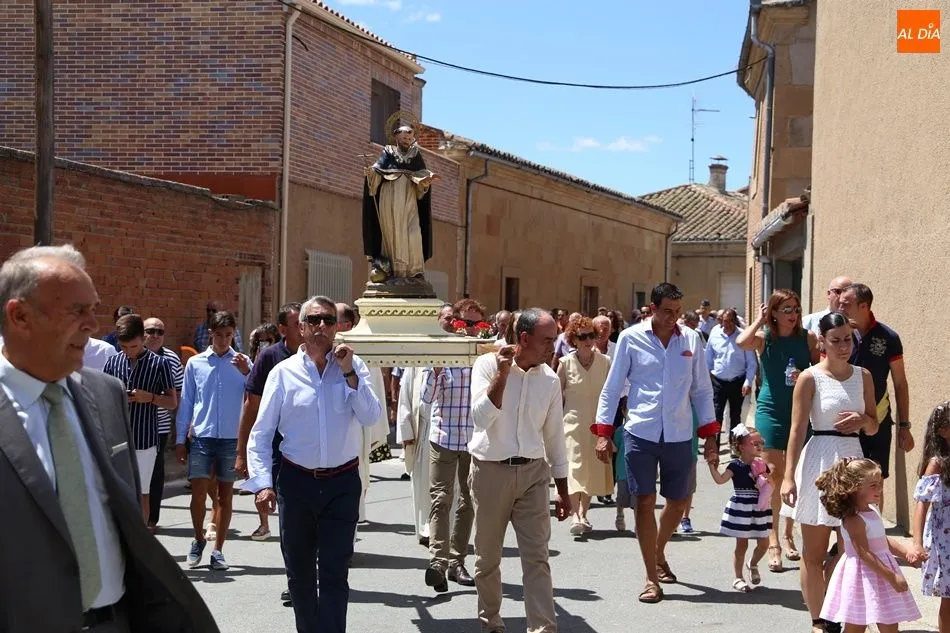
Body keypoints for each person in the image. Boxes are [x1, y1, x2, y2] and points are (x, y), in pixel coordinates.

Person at [0, 244, 217, 632]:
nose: (91, 324)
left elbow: (126, 518)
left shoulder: (105, 393)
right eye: (76, 310)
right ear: (20, 316)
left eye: (93, 308)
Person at [246, 295, 381, 633]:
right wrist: (262, 483)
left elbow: (371, 415)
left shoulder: (354, 366)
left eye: (329, 321)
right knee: (300, 574)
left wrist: (350, 375)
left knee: (336, 572)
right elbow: (261, 434)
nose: (323, 327)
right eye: (315, 320)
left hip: (341, 484)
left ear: (338, 327)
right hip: (297, 483)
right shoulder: (283, 373)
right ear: (301, 327)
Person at [592, 282, 719, 604]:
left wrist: (710, 436)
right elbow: (612, 386)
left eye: (677, 312)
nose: (672, 318)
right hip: (641, 432)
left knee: (678, 501)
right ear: (652, 308)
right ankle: (651, 577)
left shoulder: (691, 338)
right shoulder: (631, 338)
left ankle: (658, 551)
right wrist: (604, 433)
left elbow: (702, 390)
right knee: (644, 501)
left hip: (679, 433)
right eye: (666, 312)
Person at [469, 309, 571, 633]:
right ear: (524, 339)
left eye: (554, 340)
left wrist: (563, 489)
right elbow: (480, 420)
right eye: (547, 341)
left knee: (537, 558)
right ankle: (491, 623)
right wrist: (501, 376)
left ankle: (543, 628)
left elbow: (554, 436)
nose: (552, 347)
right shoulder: (486, 365)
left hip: (533, 476)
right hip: (490, 473)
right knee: (487, 559)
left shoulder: (550, 380)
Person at [781, 312, 879, 633]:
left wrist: (863, 421)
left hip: (853, 461)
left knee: (851, 546)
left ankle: (836, 603)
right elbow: (796, 430)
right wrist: (787, 476)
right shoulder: (810, 377)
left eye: (847, 339)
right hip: (820, 460)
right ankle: (818, 620)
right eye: (834, 340)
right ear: (821, 341)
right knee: (813, 550)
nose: (842, 346)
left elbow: (875, 425)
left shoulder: (863, 375)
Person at [737, 289, 820, 572]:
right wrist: (759, 320)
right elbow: (742, 341)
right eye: (786, 309)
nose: (793, 314)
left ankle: (788, 534)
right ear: (773, 312)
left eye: (795, 308)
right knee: (772, 475)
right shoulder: (766, 339)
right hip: (770, 411)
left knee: (796, 474)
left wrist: (805, 376)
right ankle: (772, 540)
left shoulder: (807, 338)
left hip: (799, 412)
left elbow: (820, 369)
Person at [235, 302, 302, 603]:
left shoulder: (324, 356)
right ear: (283, 330)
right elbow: (251, 404)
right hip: (277, 450)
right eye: (298, 323)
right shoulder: (270, 357)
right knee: (289, 519)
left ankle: (315, 575)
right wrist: (242, 452)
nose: (306, 328)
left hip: (313, 452)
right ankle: (296, 578)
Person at [177, 311, 251, 571]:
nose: (223, 340)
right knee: (198, 493)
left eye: (228, 335)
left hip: (231, 439)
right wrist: (179, 438)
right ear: (210, 334)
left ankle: (218, 549)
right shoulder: (196, 363)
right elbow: (186, 401)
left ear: (234, 334)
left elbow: (255, 396)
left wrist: (247, 371)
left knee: (225, 496)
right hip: (202, 437)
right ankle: (198, 539)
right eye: (219, 335)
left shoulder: (243, 363)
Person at [421, 298, 484, 592]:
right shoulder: (441, 351)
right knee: (440, 499)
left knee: (468, 502)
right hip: (444, 436)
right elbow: (426, 397)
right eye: (465, 323)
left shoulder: (485, 354)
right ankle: (438, 561)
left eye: (476, 324)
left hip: (473, 440)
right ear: (455, 323)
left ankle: (457, 561)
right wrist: (435, 370)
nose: (470, 329)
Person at [816, 457, 921, 632]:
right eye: (873, 485)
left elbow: (882, 540)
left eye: (879, 483)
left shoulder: (872, 510)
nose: (879, 488)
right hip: (861, 576)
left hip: (882, 573)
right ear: (854, 487)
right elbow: (863, 553)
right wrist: (892, 577)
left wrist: (907, 554)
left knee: (889, 622)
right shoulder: (854, 519)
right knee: (856, 625)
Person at [837, 283, 914, 500]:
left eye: (846, 304)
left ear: (864, 306)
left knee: (874, 482)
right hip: (844, 421)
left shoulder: (888, 337)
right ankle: (847, 532)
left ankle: (873, 531)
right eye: (839, 303)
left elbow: (900, 383)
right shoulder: (838, 335)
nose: (840, 307)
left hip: (877, 420)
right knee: (845, 481)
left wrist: (904, 426)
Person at [103, 314, 178, 522]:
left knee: (142, 493)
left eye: (134, 347)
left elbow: (172, 402)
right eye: (124, 347)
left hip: (145, 440)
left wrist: (150, 397)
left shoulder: (160, 364)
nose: (129, 352)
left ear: (143, 339)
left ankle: (142, 544)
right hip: (117, 439)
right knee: (118, 493)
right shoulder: (113, 362)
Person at [362, 124, 439, 282]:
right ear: (396, 137)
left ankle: (414, 271)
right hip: (390, 200)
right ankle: (393, 272)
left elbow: (421, 178)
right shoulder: (388, 152)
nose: (407, 141)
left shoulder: (415, 154)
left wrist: (425, 182)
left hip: (409, 200)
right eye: (404, 138)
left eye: (410, 138)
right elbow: (377, 170)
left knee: (414, 234)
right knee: (393, 233)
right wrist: (371, 174)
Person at [558, 316, 612, 535]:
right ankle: (575, 516)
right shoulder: (564, 363)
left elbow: (612, 394)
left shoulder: (605, 362)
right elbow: (554, 396)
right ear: (574, 339)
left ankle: (584, 513)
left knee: (592, 468)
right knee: (574, 467)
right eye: (583, 336)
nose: (589, 340)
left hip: (597, 425)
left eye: (592, 335)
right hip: (571, 423)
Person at [708, 425, 773, 593]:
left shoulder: (761, 464)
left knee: (764, 542)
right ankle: (738, 577)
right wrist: (712, 467)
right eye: (754, 443)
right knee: (741, 544)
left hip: (759, 507)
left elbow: (770, 484)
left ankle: (752, 563)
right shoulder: (735, 466)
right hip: (742, 507)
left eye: (761, 442)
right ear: (741, 447)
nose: (759, 446)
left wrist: (765, 479)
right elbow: (721, 480)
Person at [908, 402, 950, 630]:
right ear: (943, 430)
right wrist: (916, 544)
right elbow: (921, 504)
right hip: (946, 540)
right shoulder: (937, 464)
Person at [143, 316, 184, 533]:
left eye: (160, 332)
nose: (155, 336)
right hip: (133, 424)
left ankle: (151, 519)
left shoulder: (171, 359)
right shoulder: (131, 355)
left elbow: (178, 392)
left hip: (159, 425)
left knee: (155, 472)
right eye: (151, 331)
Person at [396, 365, 434, 547]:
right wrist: (406, 432)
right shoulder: (416, 364)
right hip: (424, 431)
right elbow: (405, 396)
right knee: (422, 482)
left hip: (449, 432)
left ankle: (446, 530)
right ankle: (425, 527)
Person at [706, 308, 757, 439]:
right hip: (718, 382)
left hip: (737, 382)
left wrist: (748, 381)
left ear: (735, 321)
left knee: (736, 416)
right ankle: (714, 449)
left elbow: (751, 363)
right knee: (716, 416)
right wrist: (708, 377)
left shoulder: (743, 336)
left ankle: (735, 447)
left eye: (730, 321)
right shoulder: (715, 333)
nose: (726, 325)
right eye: (724, 321)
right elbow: (708, 358)